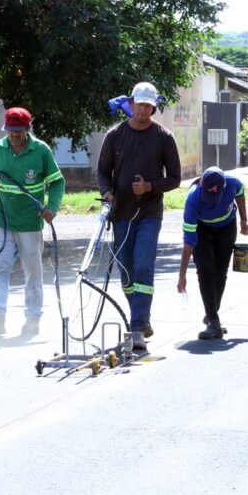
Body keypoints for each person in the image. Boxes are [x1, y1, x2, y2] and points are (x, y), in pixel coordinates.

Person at [97, 82, 182, 350]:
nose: (143, 109)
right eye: (139, 104)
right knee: (126, 270)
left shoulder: (164, 137)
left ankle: (136, 327)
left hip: (149, 212)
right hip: (121, 213)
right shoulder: (114, 135)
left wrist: (150, 187)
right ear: (131, 103)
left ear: (153, 107)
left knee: (143, 264)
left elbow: (175, 178)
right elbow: (102, 172)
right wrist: (107, 193)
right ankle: (140, 318)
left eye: (148, 105)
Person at [0, 107, 65, 337]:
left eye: (18, 131)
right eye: (10, 131)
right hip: (3, 221)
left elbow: (57, 182)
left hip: (30, 223)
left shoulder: (41, 150)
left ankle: (33, 318)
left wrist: (52, 208)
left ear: (27, 128)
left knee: (32, 272)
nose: (14, 136)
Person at [176, 166, 248, 340]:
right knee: (205, 270)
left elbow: (240, 195)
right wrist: (182, 275)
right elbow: (188, 242)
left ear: (224, 187)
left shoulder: (233, 183)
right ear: (202, 186)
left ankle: (211, 314)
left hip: (226, 226)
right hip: (201, 228)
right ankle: (214, 322)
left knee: (220, 272)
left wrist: (244, 220)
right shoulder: (193, 199)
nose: (211, 201)